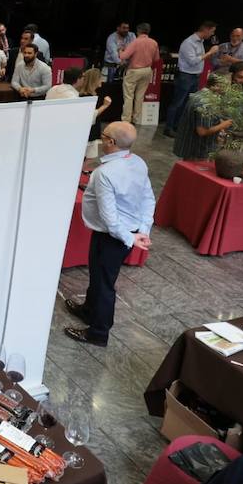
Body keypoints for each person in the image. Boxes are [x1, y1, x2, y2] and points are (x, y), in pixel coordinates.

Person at [62, 122, 154, 347]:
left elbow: (109, 217)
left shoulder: (105, 173)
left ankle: (98, 333)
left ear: (111, 142)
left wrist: (131, 237)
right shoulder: (138, 162)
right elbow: (148, 199)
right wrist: (142, 230)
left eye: (103, 135)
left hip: (113, 236)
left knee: (104, 285)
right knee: (98, 275)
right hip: (126, 233)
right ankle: (89, 310)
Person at [172, 64, 243, 161]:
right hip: (197, 151)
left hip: (194, 148)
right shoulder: (206, 102)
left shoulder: (202, 95)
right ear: (216, 85)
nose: (228, 88)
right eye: (227, 85)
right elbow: (202, 131)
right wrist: (224, 125)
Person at [163, 20, 220, 137]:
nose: (212, 34)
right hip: (186, 76)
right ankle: (168, 128)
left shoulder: (201, 42)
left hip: (195, 76)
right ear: (206, 29)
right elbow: (192, 61)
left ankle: (177, 126)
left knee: (187, 103)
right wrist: (210, 53)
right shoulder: (188, 43)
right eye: (212, 31)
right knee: (177, 103)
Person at [116, 22, 160, 123]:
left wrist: (120, 51)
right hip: (147, 70)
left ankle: (126, 119)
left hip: (134, 71)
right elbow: (157, 59)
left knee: (128, 96)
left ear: (138, 31)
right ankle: (136, 119)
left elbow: (123, 57)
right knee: (140, 96)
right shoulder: (154, 42)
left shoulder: (135, 42)